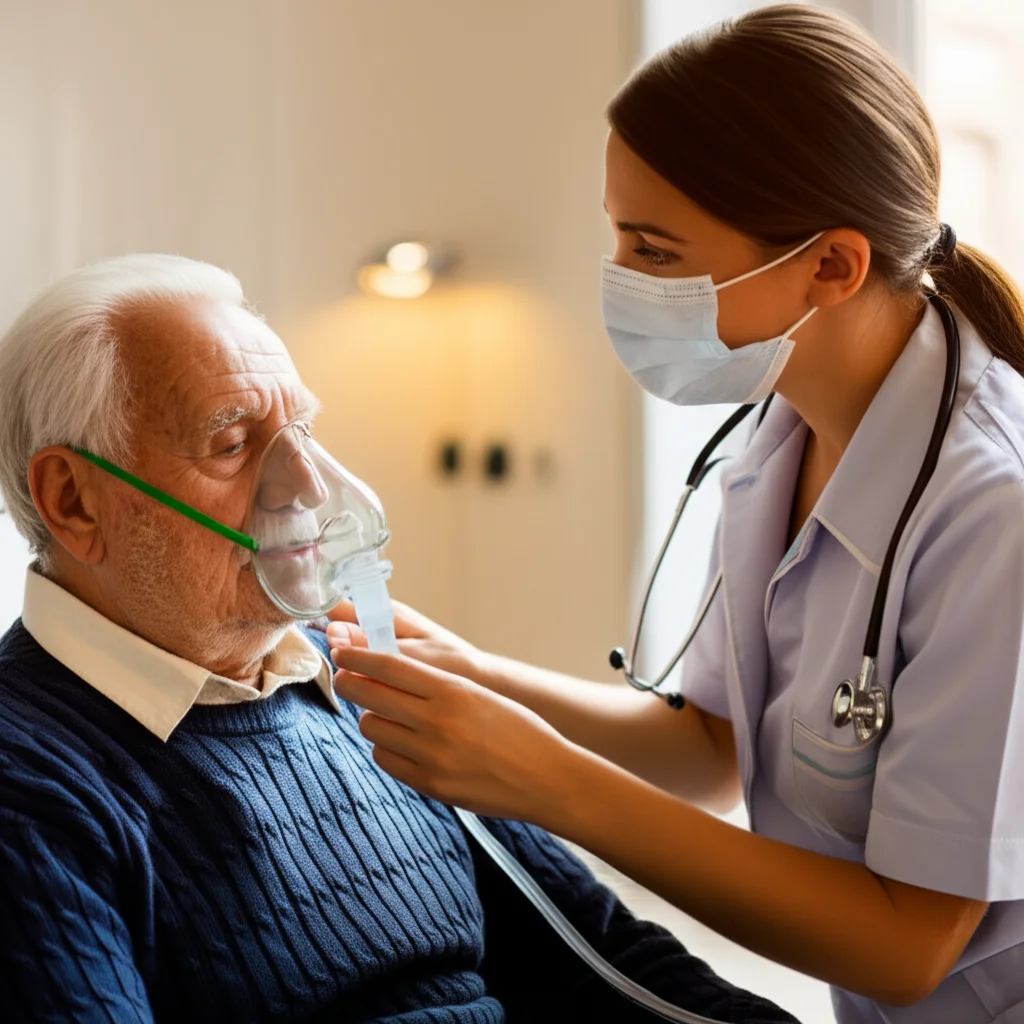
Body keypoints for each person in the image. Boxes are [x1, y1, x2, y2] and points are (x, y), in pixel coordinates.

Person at [324, 6, 1024, 1023]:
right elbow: (709, 750)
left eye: (653, 249)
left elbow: (905, 943)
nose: (620, 283)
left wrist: (543, 780)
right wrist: (468, 671)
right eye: (617, 236)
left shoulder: (990, 514)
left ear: (831, 266)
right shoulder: (775, 437)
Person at [0, 254, 799, 1023]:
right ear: (73, 502)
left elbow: (608, 962)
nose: (310, 485)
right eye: (234, 443)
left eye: (301, 430)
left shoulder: (359, 684)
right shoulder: (31, 789)